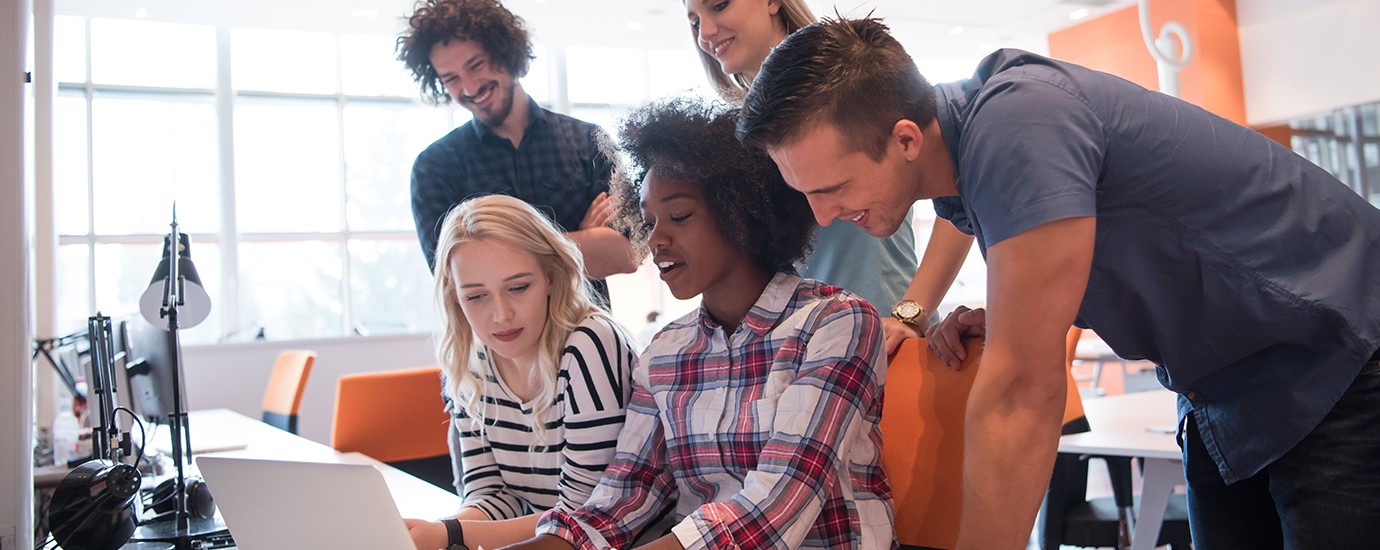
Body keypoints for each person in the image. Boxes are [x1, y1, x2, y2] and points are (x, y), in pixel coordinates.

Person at [738, 16, 1380, 549]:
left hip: (1335, 348)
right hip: (1225, 389)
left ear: (905, 138)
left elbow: (1021, 391)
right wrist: (1016, 313)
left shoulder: (1019, 121)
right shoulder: (967, 164)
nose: (823, 216)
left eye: (833, 189)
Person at [503, 96, 893, 549]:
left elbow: (775, 508)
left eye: (679, 216)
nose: (656, 240)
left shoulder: (836, 323)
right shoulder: (666, 352)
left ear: (741, 211)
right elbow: (618, 503)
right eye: (647, 222)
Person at [683, 0, 974, 354]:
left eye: (719, 5)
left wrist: (910, 313)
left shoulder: (851, 82)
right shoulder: (741, 134)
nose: (707, 32)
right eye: (695, 21)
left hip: (882, 329)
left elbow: (955, 190)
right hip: (805, 345)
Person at [406, 195, 639, 550]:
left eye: (518, 288)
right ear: (455, 297)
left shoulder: (590, 344)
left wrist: (449, 534)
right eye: (476, 297)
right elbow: (491, 495)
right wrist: (431, 531)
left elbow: (584, 515)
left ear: (550, 276)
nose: (501, 315)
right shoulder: (469, 361)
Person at [397, 0, 637, 305]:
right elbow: (453, 282)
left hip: (589, 339)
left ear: (507, 54)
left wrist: (499, 259)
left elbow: (627, 253)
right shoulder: (435, 166)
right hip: (497, 350)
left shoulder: (590, 141)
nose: (469, 87)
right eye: (451, 79)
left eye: (476, 65)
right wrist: (580, 241)